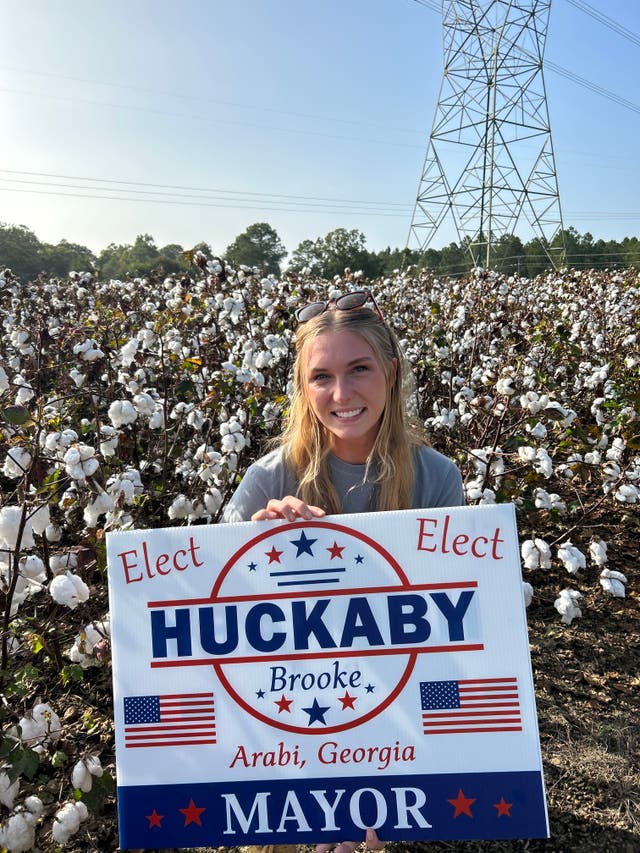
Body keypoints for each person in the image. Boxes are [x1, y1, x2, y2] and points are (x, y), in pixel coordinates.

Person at [224, 290, 465, 853]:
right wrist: (251, 551)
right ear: (302, 390)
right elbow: (224, 639)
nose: (341, 394)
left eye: (359, 369)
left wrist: (384, 781)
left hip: (390, 709)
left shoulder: (436, 480)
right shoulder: (268, 481)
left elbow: (446, 634)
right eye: (321, 377)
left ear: (391, 371)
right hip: (283, 716)